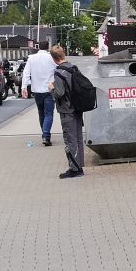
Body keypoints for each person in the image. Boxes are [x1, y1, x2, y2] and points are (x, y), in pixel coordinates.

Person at [48, 45, 85, 179]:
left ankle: (74, 169)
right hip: (77, 108)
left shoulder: (59, 72)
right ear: (63, 54)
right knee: (79, 138)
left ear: (54, 58)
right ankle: (80, 165)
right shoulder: (74, 68)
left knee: (70, 139)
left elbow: (59, 93)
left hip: (66, 110)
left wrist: (51, 88)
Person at [20, 46, 57, 146]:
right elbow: (57, 70)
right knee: (49, 113)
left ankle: (44, 134)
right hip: (49, 89)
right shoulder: (51, 58)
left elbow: (26, 72)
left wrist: (24, 87)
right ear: (48, 48)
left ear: (38, 48)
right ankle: (46, 135)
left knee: (41, 113)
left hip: (36, 90)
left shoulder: (31, 58)